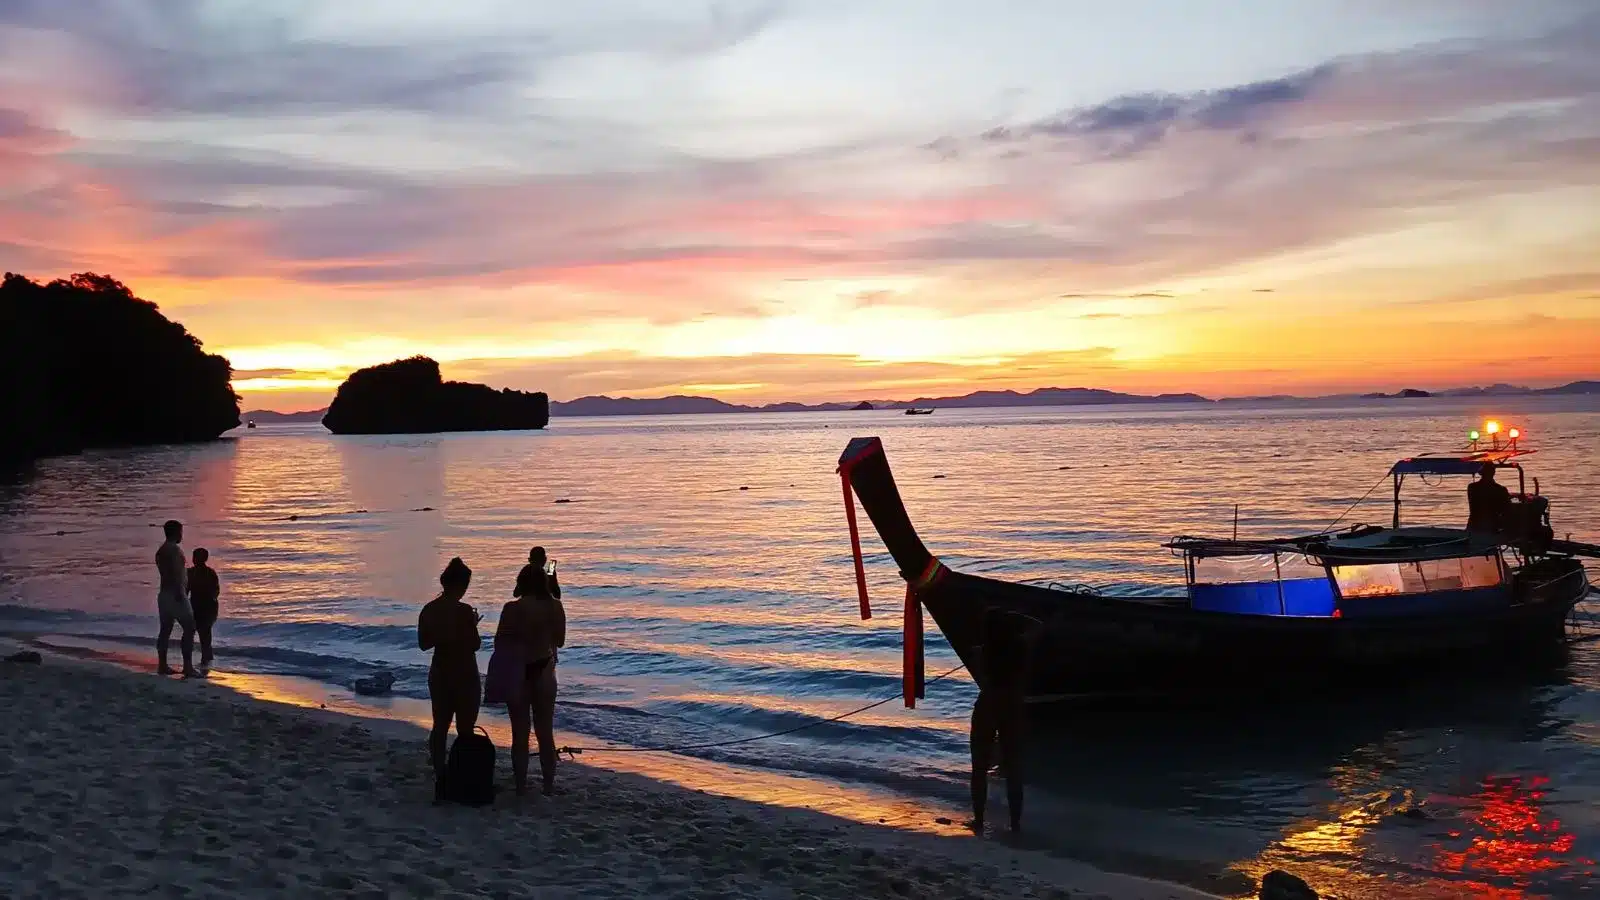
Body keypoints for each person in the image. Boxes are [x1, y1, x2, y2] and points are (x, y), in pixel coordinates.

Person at [497, 546, 567, 796]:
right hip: (545, 669)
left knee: (520, 733)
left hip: (518, 670)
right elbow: (559, 641)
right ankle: (548, 786)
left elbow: (500, 643)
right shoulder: (555, 606)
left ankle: (520, 787)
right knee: (545, 732)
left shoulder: (511, 608)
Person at [969, 607, 1041, 834]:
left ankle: (979, 820)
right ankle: (1015, 824)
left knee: (979, 767)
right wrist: (1015, 615)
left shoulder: (980, 652)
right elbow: (1038, 626)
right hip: (1012, 705)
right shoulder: (1020, 647)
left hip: (987, 705)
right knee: (1014, 769)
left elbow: (980, 668)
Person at [418, 557, 482, 803]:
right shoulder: (464, 611)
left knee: (440, 725)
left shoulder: (429, 609)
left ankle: (441, 775)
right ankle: (462, 777)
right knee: (465, 729)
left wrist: (443, 634)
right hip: (464, 672)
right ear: (462, 585)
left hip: (440, 671)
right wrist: (471, 625)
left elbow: (424, 644)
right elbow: (474, 645)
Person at [155, 520, 199, 678]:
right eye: (181, 532)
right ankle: (187, 666)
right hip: (176, 594)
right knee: (190, 627)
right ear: (175, 532)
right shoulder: (174, 550)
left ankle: (162, 665)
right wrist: (181, 593)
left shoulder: (160, 551)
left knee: (165, 630)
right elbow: (175, 574)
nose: (182, 535)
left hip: (164, 595)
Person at [187, 548, 220, 670]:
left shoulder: (191, 573)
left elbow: (185, 591)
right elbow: (216, 592)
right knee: (205, 635)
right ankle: (205, 660)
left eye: (195, 557)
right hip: (205, 607)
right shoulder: (209, 573)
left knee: (199, 634)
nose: (194, 559)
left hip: (202, 607)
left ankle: (203, 660)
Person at [1467, 462, 1512, 533]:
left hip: (1474, 525)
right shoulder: (1500, 489)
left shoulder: (1472, 487)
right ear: (1493, 473)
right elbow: (1506, 509)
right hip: (1492, 526)